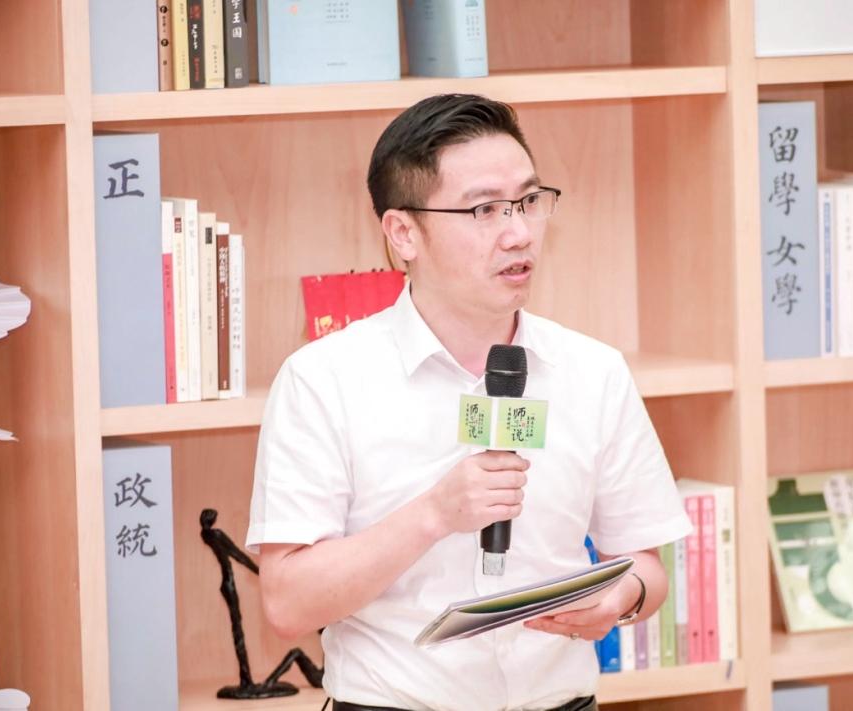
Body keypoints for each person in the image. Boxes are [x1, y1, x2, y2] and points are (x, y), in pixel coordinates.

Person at [246, 94, 692, 711]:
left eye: (528, 202)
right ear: (404, 232)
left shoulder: (593, 372)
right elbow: (287, 603)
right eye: (484, 210)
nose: (519, 234)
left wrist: (623, 598)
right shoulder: (324, 379)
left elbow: (645, 566)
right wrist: (434, 514)